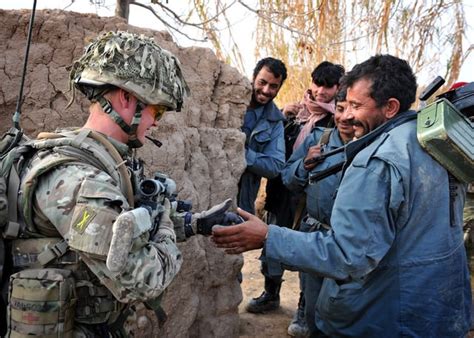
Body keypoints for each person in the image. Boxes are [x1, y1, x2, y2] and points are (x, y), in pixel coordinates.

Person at [213, 54, 471, 336]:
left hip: (384, 318)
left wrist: (267, 236)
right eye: (343, 106)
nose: (346, 116)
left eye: (357, 106)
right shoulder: (433, 142)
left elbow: (348, 256)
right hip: (438, 313)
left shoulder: (376, 162)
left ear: (390, 107)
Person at [0, 31, 237, 337]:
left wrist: (196, 223)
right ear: (126, 98)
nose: (158, 121)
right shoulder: (79, 181)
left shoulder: (103, 160)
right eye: (158, 109)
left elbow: (126, 232)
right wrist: (162, 217)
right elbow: (145, 280)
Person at [248, 62, 344, 332]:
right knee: (272, 245)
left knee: (305, 254)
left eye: (328, 86)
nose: (321, 91)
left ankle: (303, 309)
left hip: (306, 200)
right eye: (318, 83)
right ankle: (271, 293)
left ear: (338, 89)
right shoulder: (294, 114)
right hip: (280, 191)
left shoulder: (337, 122)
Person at [281, 87, 353, 336]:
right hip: (313, 236)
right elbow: (288, 179)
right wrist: (304, 165)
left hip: (349, 244)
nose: (345, 117)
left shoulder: (371, 148)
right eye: (340, 109)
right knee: (313, 308)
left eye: (352, 109)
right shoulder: (318, 139)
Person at [238, 57, 287, 215]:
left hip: (243, 201)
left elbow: (275, 166)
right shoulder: (229, 103)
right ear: (253, 78)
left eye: (273, 86)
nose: (266, 90)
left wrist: (240, 154)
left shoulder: (275, 121)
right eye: (262, 82)